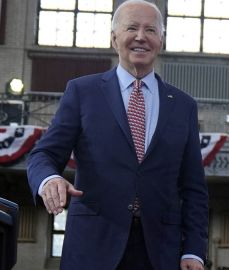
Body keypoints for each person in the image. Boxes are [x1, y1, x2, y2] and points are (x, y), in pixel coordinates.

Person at [27, 1, 208, 269]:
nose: (140, 37)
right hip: (92, 248)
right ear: (114, 39)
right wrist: (49, 179)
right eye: (131, 28)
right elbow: (44, 154)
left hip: (160, 252)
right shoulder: (82, 92)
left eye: (150, 30)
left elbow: (194, 188)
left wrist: (193, 250)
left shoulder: (183, 105)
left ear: (161, 40)